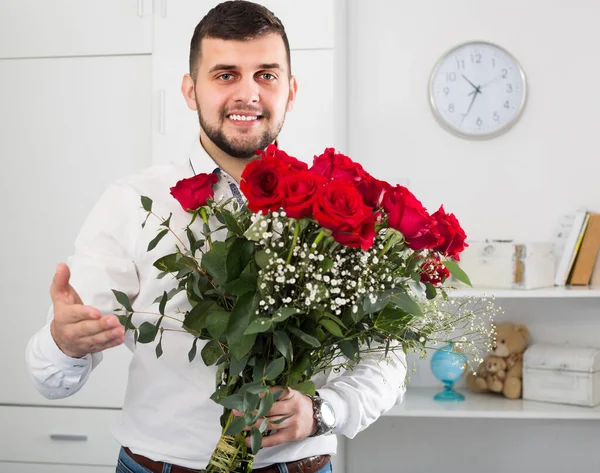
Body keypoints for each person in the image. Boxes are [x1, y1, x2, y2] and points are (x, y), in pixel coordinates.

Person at [25, 2, 407, 472]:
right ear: (190, 90)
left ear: (291, 89)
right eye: (225, 75)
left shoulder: (342, 209)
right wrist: (64, 343)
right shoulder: (132, 202)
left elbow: (385, 358)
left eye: (266, 75)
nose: (247, 93)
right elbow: (51, 379)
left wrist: (323, 412)